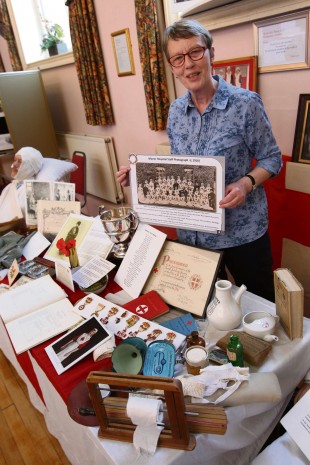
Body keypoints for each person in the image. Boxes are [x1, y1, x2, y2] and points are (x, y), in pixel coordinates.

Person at [116, 19, 282, 302]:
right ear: (172, 67)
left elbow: (272, 158)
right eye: (178, 58)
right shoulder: (176, 111)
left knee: (260, 304)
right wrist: (142, 177)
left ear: (211, 54)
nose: (188, 64)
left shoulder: (245, 104)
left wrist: (246, 183)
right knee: (205, 307)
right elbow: (178, 168)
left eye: (195, 52)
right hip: (194, 234)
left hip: (242, 232)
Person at [0, 147, 43, 223]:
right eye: (14, 160)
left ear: (30, 167)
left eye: (20, 162)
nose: (14, 164)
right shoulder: (10, 186)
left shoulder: (32, 191)